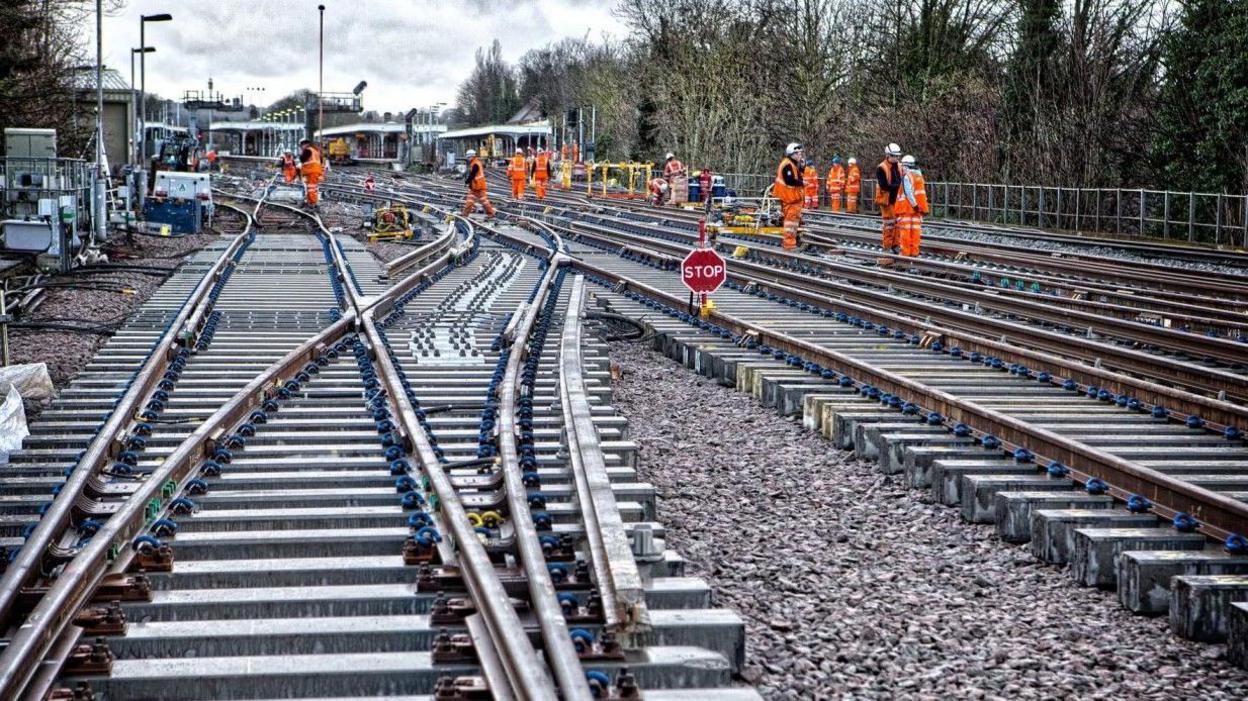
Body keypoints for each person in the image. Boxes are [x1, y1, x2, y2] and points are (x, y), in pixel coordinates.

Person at [895, 155, 929, 257]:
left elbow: (908, 193)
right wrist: (919, 208)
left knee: (905, 232)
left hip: (907, 209)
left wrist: (914, 205)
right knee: (915, 232)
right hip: (917, 211)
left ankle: (905, 253)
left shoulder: (907, 177)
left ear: (905, 166)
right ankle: (914, 252)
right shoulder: (919, 176)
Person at [773, 142, 805, 250]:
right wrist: (803, 184)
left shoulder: (792, 164)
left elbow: (798, 177)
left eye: (800, 153)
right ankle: (789, 245)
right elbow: (790, 180)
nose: (800, 155)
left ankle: (792, 242)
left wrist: (802, 167)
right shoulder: (787, 164)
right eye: (798, 153)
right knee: (790, 224)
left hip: (792, 198)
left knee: (793, 222)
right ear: (792, 154)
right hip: (790, 198)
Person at [875, 143, 903, 251]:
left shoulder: (899, 166)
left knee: (898, 223)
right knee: (889, 224)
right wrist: (898, 187)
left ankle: (895, 245)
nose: (896, 158)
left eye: (897, 156)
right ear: (888, 155)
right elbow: (884, 185)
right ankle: (887, 246)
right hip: (886, 200)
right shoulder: (881, 168)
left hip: (897, 199)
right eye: (894, 156)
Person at [461, 149, 496, 218]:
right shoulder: (475, 163)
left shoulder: (475, 164)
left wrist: (467, 181)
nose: (468, 159)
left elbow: (472, 175)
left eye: (468, 157)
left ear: (472, 156)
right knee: (470, 200)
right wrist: (469, 183)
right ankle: (465, 214)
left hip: (479, 186)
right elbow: (472, 176)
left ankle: (491, 213)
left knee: (484, 201)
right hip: (474, 186)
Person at [297, 138, 323, 207]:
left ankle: (312, 204)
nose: (301, 148)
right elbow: (321, 160)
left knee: (311, 188)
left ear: (304, 144)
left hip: (311, 171)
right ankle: (312, 202)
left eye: (301, 146)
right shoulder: (315, 151)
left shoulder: (307, 150)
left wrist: (301, 153)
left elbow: (302, 159)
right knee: (313, 188)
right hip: (316, 172)